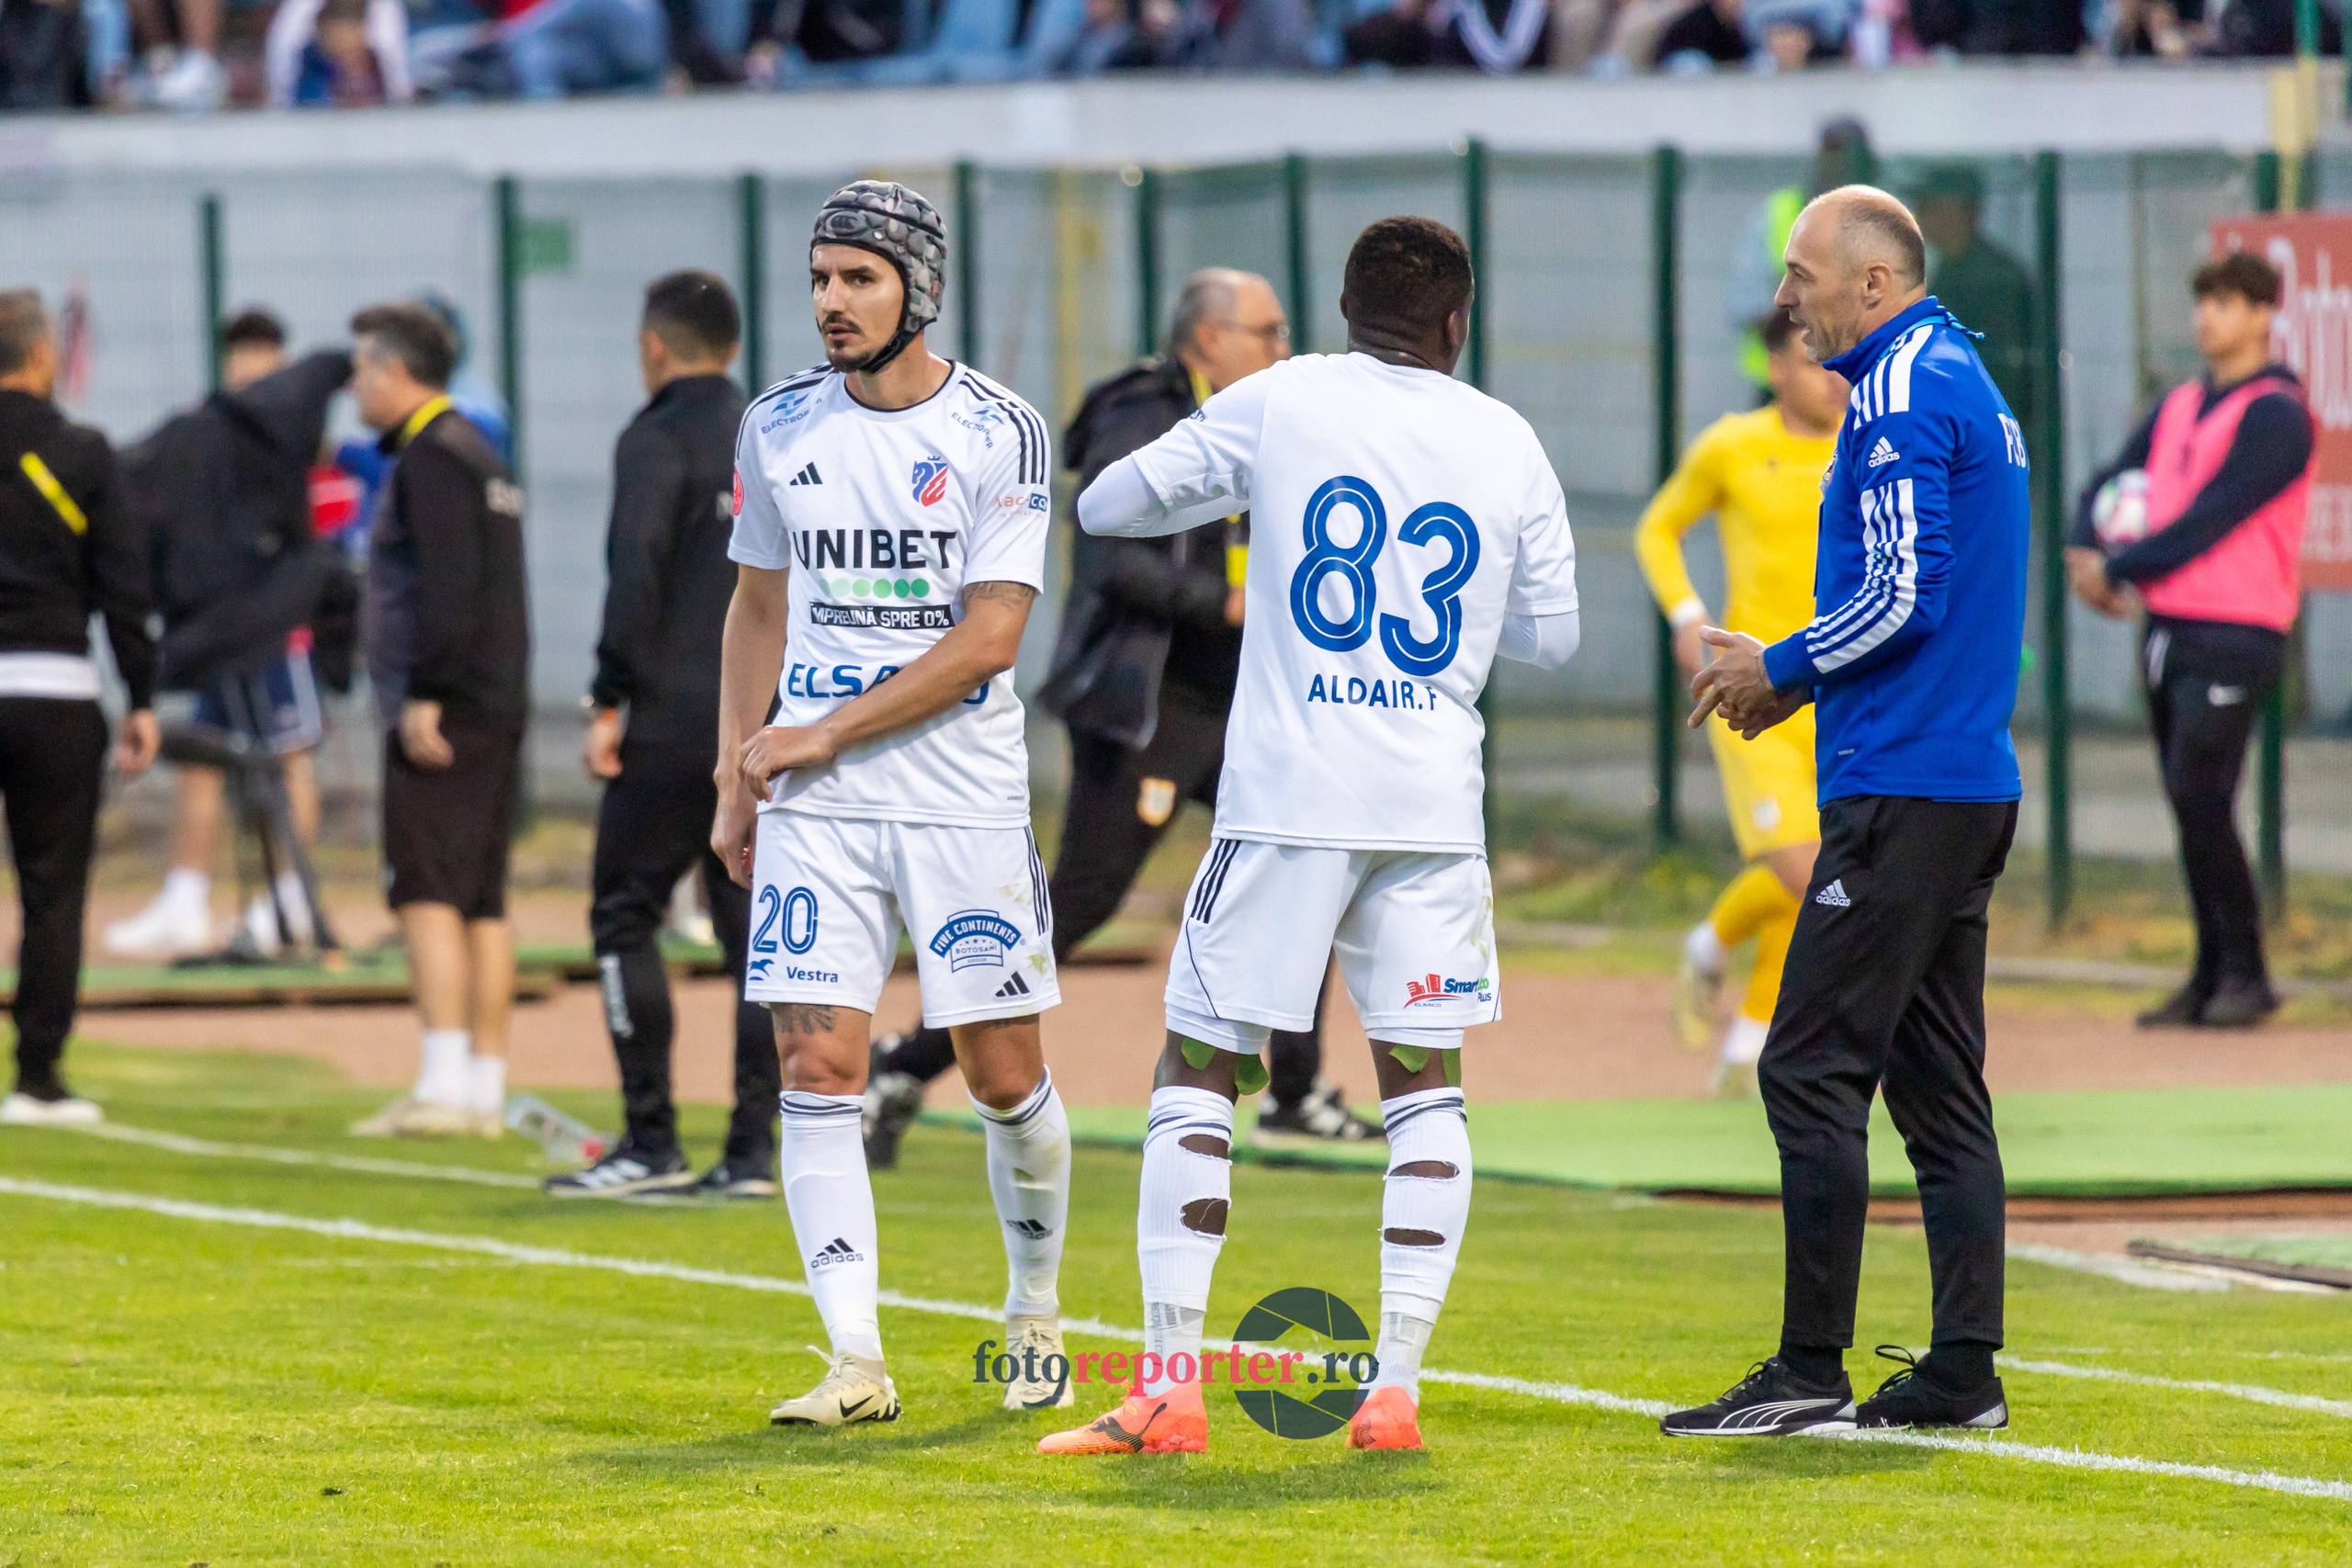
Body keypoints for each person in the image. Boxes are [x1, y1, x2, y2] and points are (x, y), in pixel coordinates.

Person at [1040, 215, 1582, 1459]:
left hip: (1290, 794)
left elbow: (1115, 501)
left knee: (1197, 1064)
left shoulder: (1284, 400)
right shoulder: (1505, 437)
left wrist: (1245, 502)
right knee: (1423, 1082)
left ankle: (1169, 1385)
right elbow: (1550, 638)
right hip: (1431, 808)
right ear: (1458, 319)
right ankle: (1393, 1387)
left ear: (1342, 311)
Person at [861, 266, 1378, 1169]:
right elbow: (1112, 559)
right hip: (1146, 708)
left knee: (1310, 857)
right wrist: (1227, 606)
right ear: (1209, 339)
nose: (1283, 348)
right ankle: (900, 1069)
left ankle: (1293, 1094)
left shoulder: (1267, 419)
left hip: (1236, 707)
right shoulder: (1143, 415)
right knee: (1078, 908)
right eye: (1268, 330)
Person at [1667, 186, 2030, 1438]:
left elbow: (1905, 591)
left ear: (1873, 284)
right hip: (1962, 779)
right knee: (1938, 1086)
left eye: (1802, 272)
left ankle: (1808, 1365)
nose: (1787, 298)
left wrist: (1785, 665)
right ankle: (1961, 1369)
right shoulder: (1960, 374)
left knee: (1809, 1063)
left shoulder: (1894, 390)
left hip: (1905, 788)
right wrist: (1795, 689)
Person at [714, 180, 1072, 1426]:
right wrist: (737, 770)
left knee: (1002, 1070)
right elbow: (757, 600)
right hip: (816, 805)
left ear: (917, 288)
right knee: (814, 1060)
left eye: (858, 278)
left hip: (961, 798)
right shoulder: (774, 425)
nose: (831, 301)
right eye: (819, 278)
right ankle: (855, 1359)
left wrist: (819, 728)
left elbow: (989, 640)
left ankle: (1035, 1307)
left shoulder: (1001, 432)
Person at [543, 272, 783, 1200]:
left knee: (622, 916)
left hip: (673, 719)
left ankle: (651, 1140)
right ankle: (754, 1153)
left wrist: (607, 697)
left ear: (653, 348)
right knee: (756, 938)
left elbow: (632, 572)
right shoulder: (774, 429)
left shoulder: (652, 439)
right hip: (767, 717)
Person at [2067, 250, 2312, 1031]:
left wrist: (2120, 566)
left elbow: (2214, 516)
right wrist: (2084, 548)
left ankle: (2247, 973)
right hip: (2169, 628)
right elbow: (2108, 479)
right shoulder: (2180, 403)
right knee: (2188, 802)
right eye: (2203, 301)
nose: (2209, 316)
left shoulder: (2277, 413)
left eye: (2229, 302)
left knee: (2202, 794)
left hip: (2236, 632)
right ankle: (2210, 974)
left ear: (2264, 314)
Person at [1635, 306, 1842, 1096]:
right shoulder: (1731, 444)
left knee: (1824, 881)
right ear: (1776, 368)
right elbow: (1658, 529)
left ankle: (1750, 1044)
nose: (1831, 376)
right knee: (1807, 868)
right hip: (1754, 694)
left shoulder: (1869, 445)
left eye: (1835, 357)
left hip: (1836, 689)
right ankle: (1715, 941)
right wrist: (1689, 615)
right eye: (1811, 359)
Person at [105, 307, 344, 962]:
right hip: (218, 627)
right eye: (237, 359)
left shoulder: (298, 433)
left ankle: (287, 898)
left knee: (288, 757)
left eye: (261, 360)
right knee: (202, 765)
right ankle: (185, 898)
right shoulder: (210, 432)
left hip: (279, 632)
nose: (247, 371)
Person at [346, 303, 530, 1141]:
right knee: (482, 898)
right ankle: (484, 1089)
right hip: (494, 700)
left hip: (448, 708)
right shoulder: (478, 450)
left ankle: (444, 1086)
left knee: (426, 889)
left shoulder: (432, 456)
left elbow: (450, 584)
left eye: (360, 369)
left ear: (393, 371)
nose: (354, 385)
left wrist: (426, 690)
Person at [0, 289, 160, 1126]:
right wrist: (142, 694)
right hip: (56, 693)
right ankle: (37, 1079)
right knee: (51, 892)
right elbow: (124, 587)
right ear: (42, 358)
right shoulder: (83, 452)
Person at [1729, 118, 1874, 395]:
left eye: (1851, 158)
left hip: (1868, 386)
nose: (1840, 166)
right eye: (1833, 155)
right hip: (1785, 389)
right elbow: (1746, 304)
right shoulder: (1778, 213)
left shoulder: (1889, 219)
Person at [1912, 164, 2034, 430]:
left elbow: (2006, 369)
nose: (1919, 215)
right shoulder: (1948, 270)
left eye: (1928, 205)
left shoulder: (1995, 278)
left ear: (1957, 211)